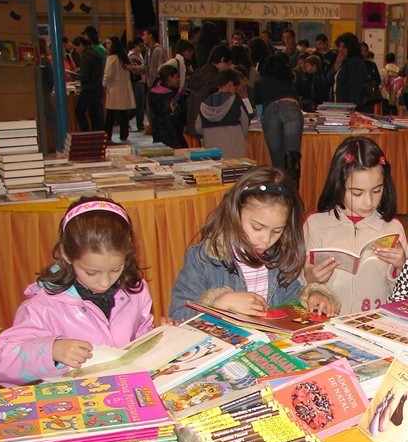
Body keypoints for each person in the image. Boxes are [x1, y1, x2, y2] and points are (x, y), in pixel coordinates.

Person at [0, 197, 154, 386]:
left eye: (116, 269)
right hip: (76, 403)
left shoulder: (134, 290)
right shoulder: (43, 305)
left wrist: (161, 335)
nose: (104, 282)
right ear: (66, 255)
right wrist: (51, 350)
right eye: (91, 272)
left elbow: (142, 332)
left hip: (127, 391)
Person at [169, 166, 340, 322]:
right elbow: (178, 314)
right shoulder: (205, 257)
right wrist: (220, 303)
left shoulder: (279, 256)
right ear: (235, 213)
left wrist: (313, 295)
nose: (266, 239)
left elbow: (292, 296)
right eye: (257, 227)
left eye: (277, 231)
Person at [303, 136, 407, 316]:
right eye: (357, 193)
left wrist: (401, 265)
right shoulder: (315, 225)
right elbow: (295, 282)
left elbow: (401, 295)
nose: (368, 202)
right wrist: (311, 280)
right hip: (329, 325)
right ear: (339, 185)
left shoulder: (393, 228)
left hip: (376, 325)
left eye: (377, 191)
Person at [254, 54, 303, 187]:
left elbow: (259, 109)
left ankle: (281, 192)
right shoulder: (288, 81)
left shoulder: (260, 83)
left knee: (277, 161)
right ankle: (294, 195)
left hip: (271, 112)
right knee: (292, 159)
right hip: (292, 109)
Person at [195, 68, 249, 158]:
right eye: (235, 88)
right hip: (234, 148)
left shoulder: (205, 103)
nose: (235, 91)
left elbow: (198, 128)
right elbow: (245, 123)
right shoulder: (235, 101)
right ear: (230, 84)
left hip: (211, 150)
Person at [185, 44, 234, 140]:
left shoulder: (200, 71)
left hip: (191, 122)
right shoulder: (216, 78)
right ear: (223, 59)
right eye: (229, 64)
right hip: (206, 125)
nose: (229, 67)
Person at [103, 36, 135, 142]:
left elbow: (107, 75)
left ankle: (107, 135)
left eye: (108, 43)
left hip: (113, 89)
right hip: (124, 89)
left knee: (110, 115)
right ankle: (124, 134)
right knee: (123, 114)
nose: (106, 45)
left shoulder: (111, 58)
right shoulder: (124, 58)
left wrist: (103, 85)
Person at [148, 64, 187, 148]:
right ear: (169, 77)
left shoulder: (153, 91)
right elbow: (168, 120)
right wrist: (177, 141)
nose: (178, 79)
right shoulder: (167, 96)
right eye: (176, 77)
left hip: (158, 134)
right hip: (170, 137)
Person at [72, 36, 105, 132]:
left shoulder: (85, 56)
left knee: (79, 112)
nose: (76, 51)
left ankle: (85, 133)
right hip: (97, 87)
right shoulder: (95, 54)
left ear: (81, 46)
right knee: (95, 113)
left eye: (76, 48)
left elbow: (85, 74)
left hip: (88, 88)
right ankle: (97, 135)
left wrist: (74, 76)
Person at [327, 32, 367, 109]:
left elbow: (355, 87)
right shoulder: (342, 61)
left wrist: (352, 107)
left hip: (348, 105)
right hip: (337, 103)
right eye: (339, 46)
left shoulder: (356, 62)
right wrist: (336, 66)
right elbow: (329, 79)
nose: (340, 49)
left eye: (344, 47)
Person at [38, 37, 63, 156]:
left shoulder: (39, 61)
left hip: (40, 92)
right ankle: (59, 146)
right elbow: (52, 78)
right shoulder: (45, 61)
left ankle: (45, 146)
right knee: (53, 120)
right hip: (46, 93)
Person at [127, 36, 147, 132]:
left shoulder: (139, 54)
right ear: (135, 45)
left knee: (139, 105)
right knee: (137, 105)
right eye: (140, 46)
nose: (142, 48)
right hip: (137, 82)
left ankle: (139, 123)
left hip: (141, 82)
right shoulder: (132, 56)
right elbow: (135, 70)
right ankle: (126, 120)